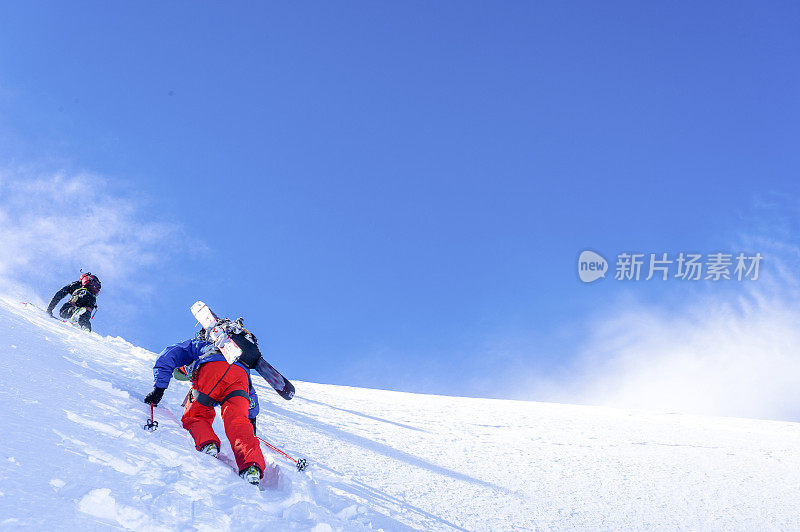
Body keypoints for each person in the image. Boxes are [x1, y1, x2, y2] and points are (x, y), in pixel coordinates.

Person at [143, 323, 266, 485]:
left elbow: (169, 354)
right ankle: (252, 467)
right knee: (239, 422)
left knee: (196, 415)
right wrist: (251, 418)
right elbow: (251, 393)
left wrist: (159, 388)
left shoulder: (200, 344)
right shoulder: (238, 355)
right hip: (240, 375)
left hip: (212, 369)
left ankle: (208, 444)